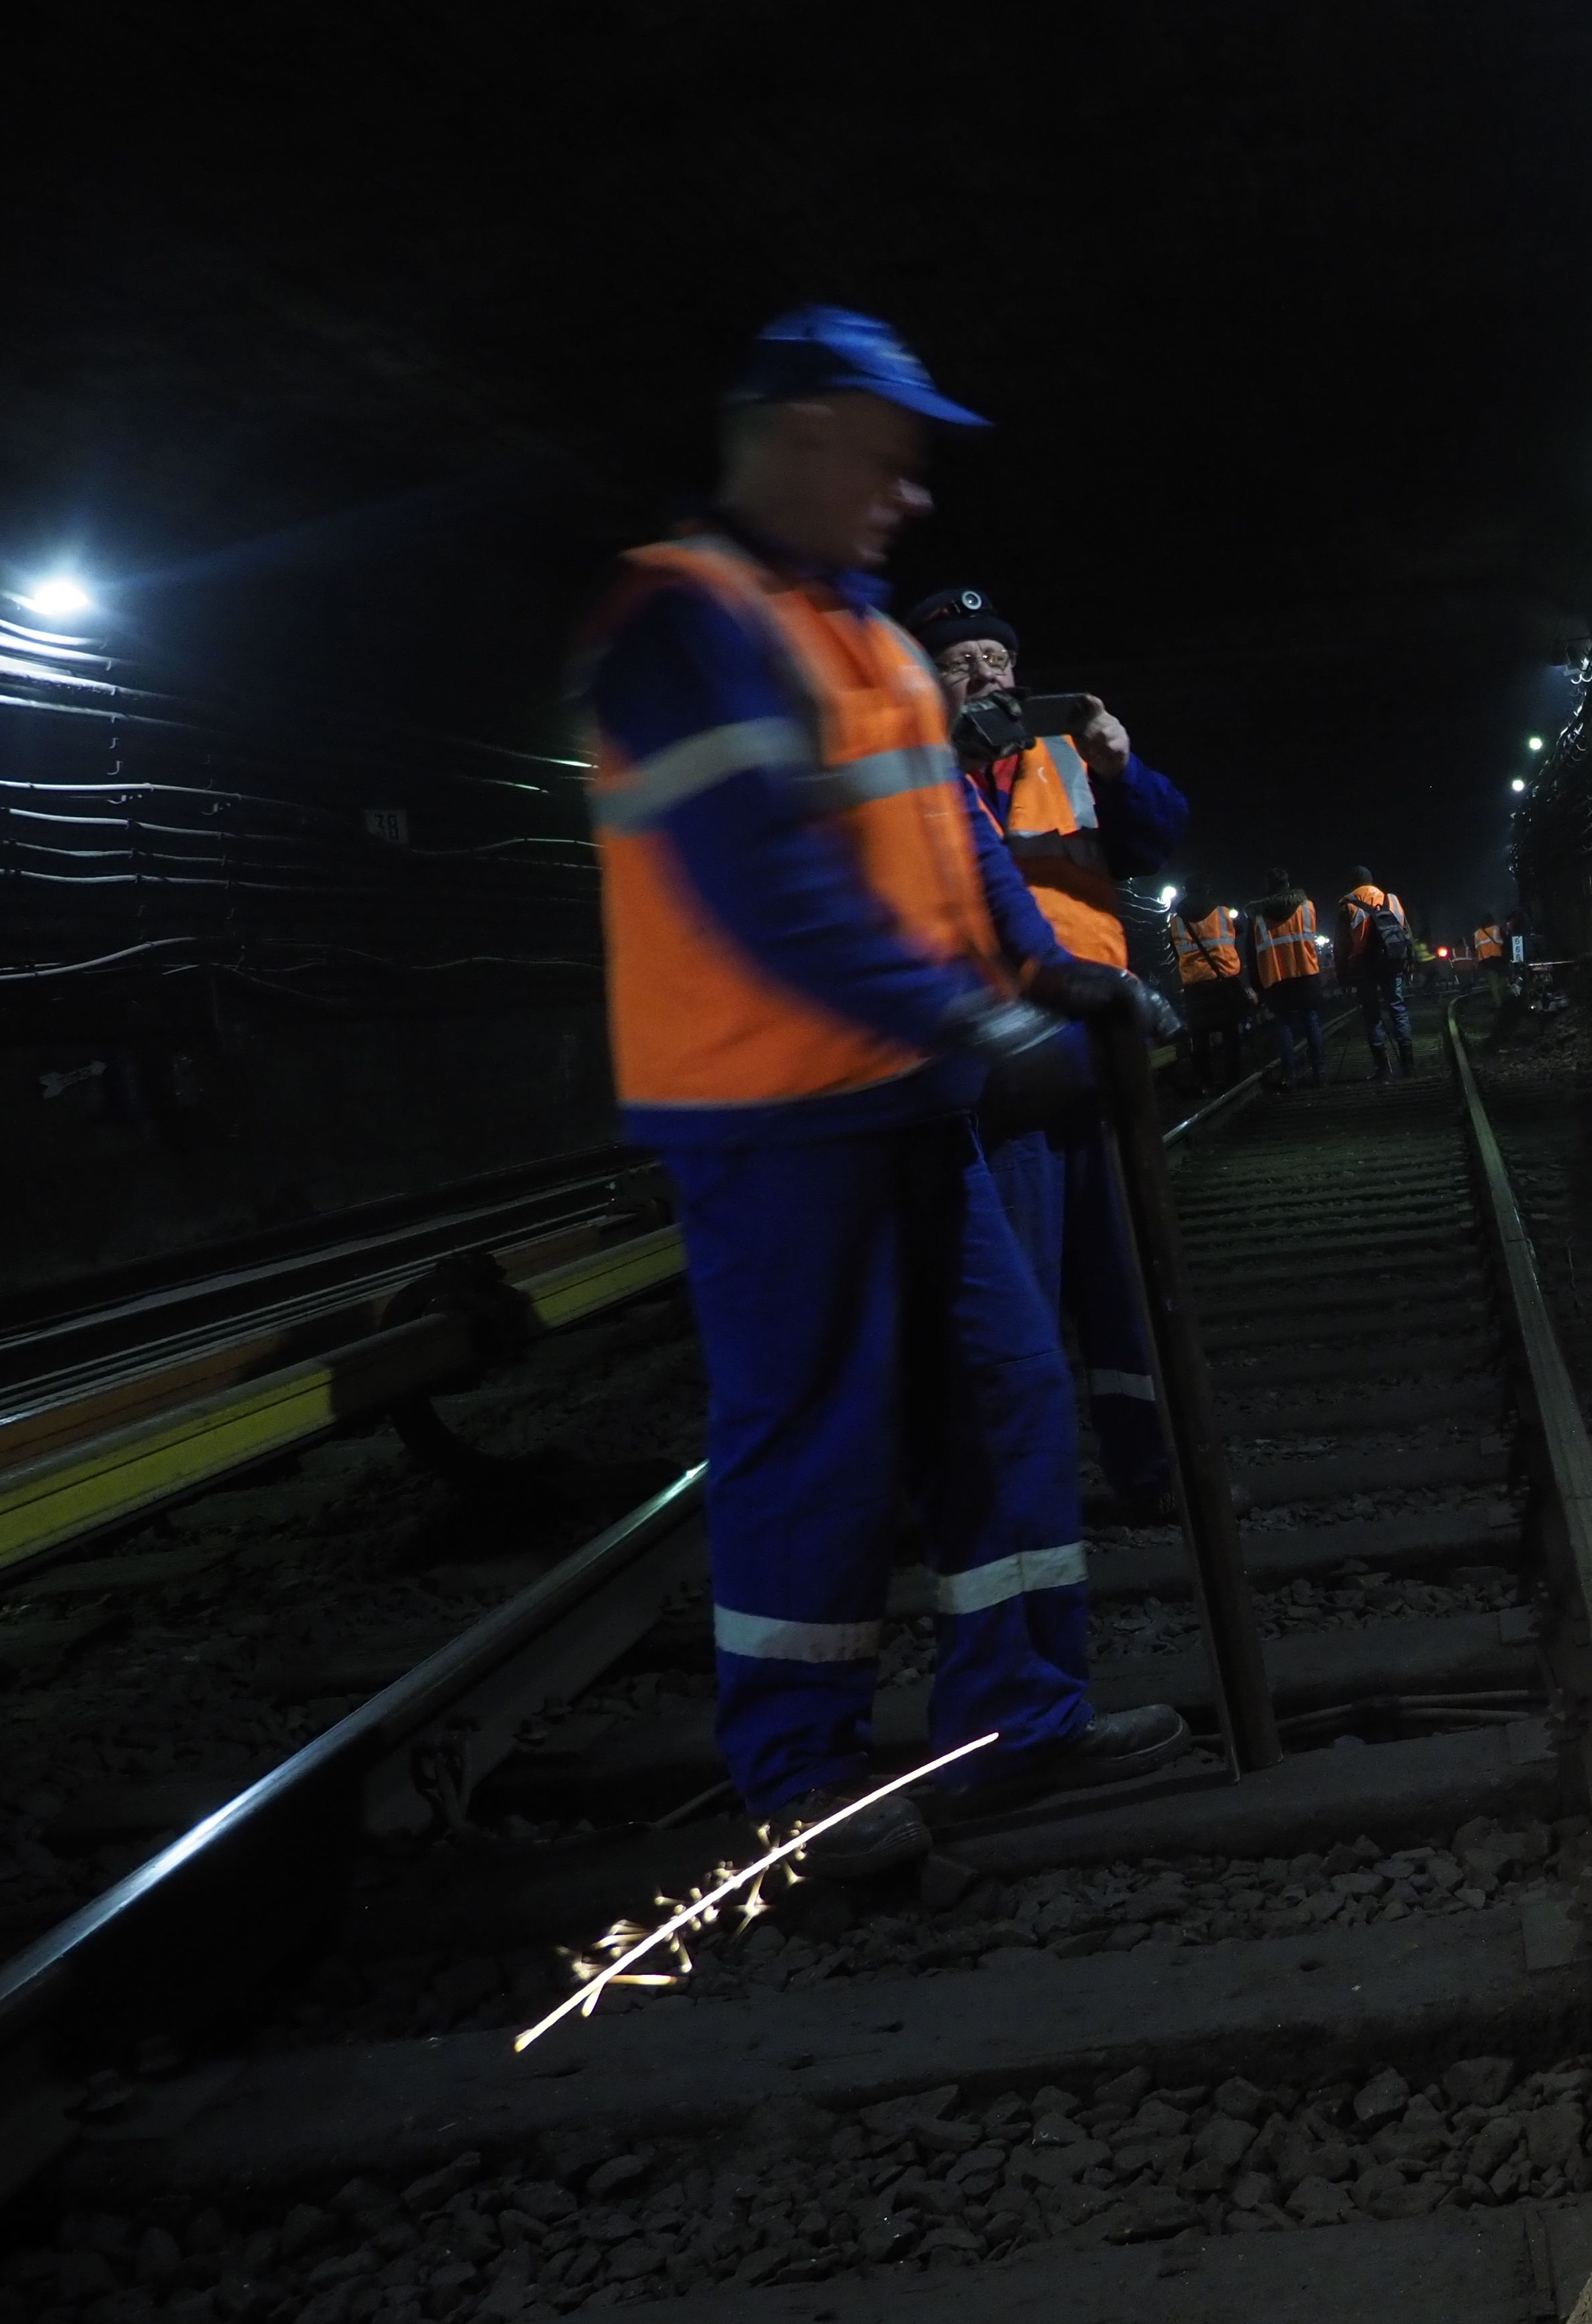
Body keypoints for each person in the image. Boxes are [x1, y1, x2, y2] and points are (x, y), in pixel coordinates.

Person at [578, 307, 1185, 1877]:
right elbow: (765, 888)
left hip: (906, 1103)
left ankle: (1013, 1726)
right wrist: (973, 1031)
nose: (910, 493)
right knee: (813, 1437)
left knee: (1008, 1389)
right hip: (774, 1118)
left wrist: (1043, 965)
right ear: (795, 434)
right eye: (885, 454)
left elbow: (956, 840)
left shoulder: (867, 638)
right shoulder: (682, 623)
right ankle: (798, 1788)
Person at [902, 584, 1187, 1523]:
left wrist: (1123, 764)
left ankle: (1144, 1471)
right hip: (999, 1064)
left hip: (1096, 1046)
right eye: (960, 659)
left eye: (998, 655)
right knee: (1018, 1285)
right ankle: (1030, 1489)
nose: (986, 670)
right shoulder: (910, 773)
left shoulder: (1069, 755)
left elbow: (1157, 835)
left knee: (1120, 1283)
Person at [1166, 894, 1257, 1090]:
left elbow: (1175, 950)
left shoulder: (1176, 922)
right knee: (1230, 1032)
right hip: (1223, 982)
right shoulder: (1223, 914)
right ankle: (1233, 1079)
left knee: (1199, 1037)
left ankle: (1205, 1082)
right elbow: (1239, 929)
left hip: (1195, 986)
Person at [1339, 866, 1419, 1081]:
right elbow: (1406, 932)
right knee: (1398, 1009)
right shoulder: (1391, 899)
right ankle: (1409, 1065)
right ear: (1371, 881)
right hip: (1392, 961)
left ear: (1354, 884)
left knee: (1371, 1015)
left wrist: (1342, 976)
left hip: (1363, 966)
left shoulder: (1348, 905)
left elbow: (1342, 945)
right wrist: (1410, 961)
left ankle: (1383, 1068)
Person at [1250, 865, 1326, 1087]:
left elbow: (1253, 951)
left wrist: (1258, 985)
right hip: (1305, 973)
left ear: (1267, 888)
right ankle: (1320, 1073)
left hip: (1276, 977)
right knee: (1310, 1021)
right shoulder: (1306, 907)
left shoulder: (1259, 916)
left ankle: (1289, 1075)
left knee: (1283, 1024)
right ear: (1287, 884)